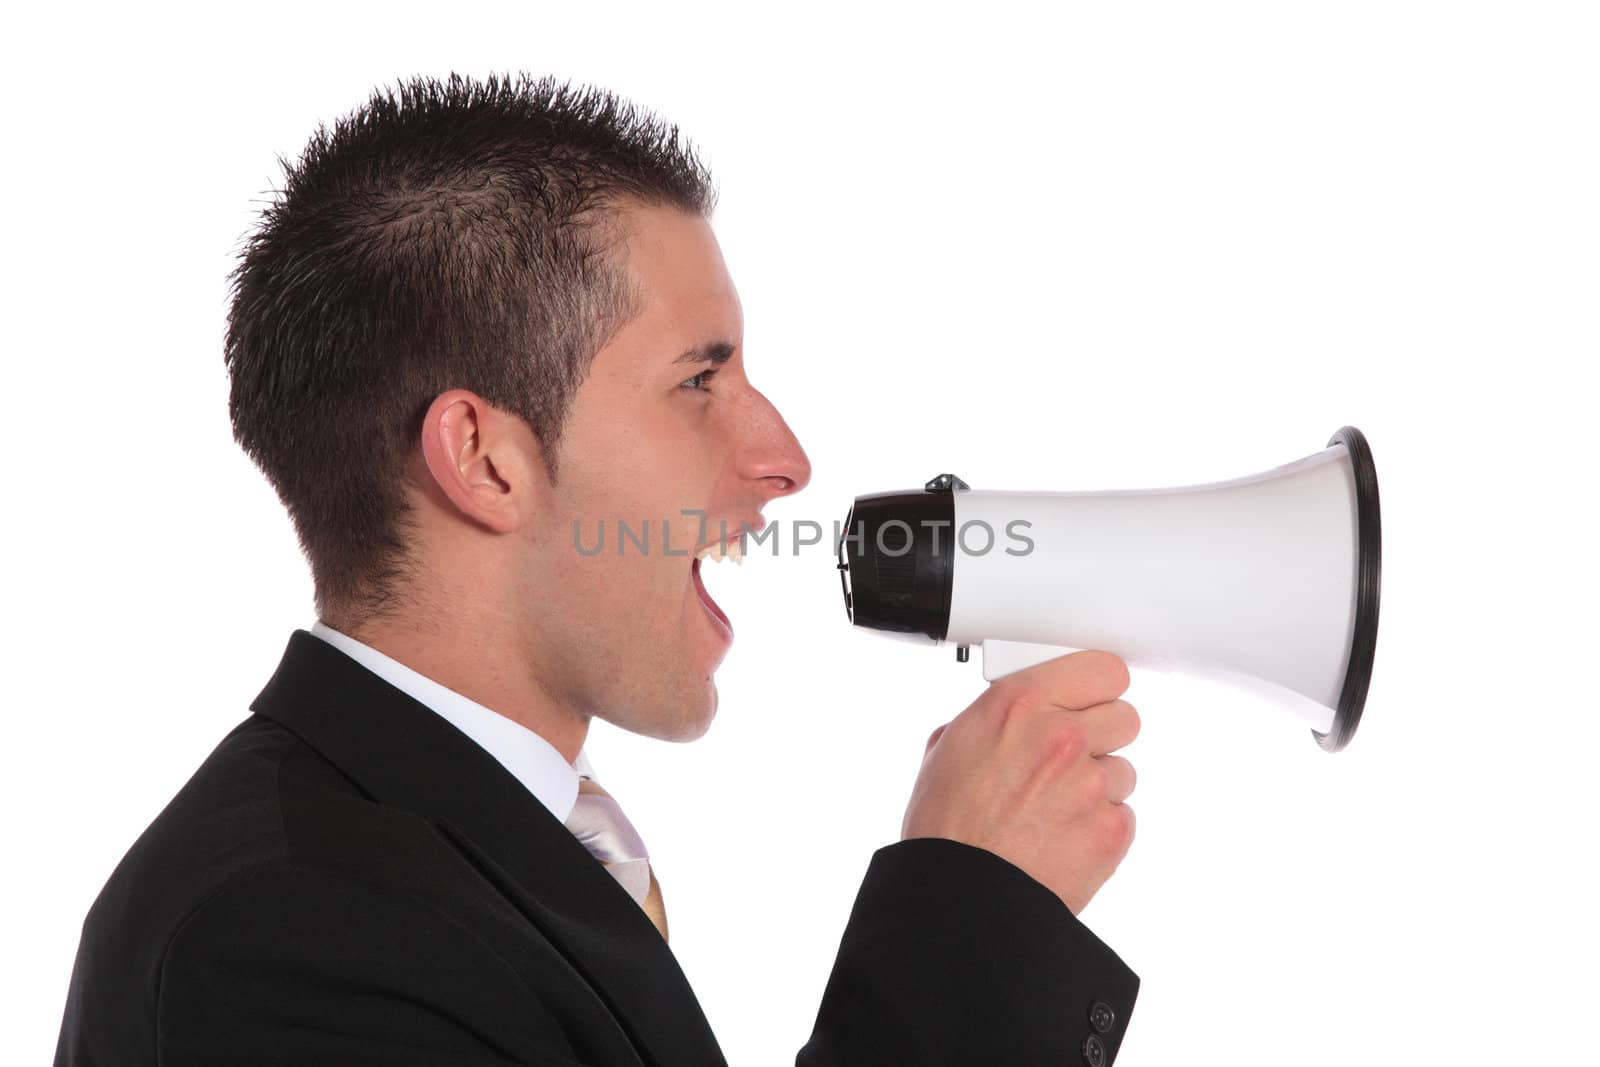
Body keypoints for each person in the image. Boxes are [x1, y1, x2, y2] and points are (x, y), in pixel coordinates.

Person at [53, 73, 1142, 1066]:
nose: (785, 460)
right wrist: (970, 918)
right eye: (698, 381)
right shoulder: (282, 938)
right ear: (484, 460)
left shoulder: (463, 856)